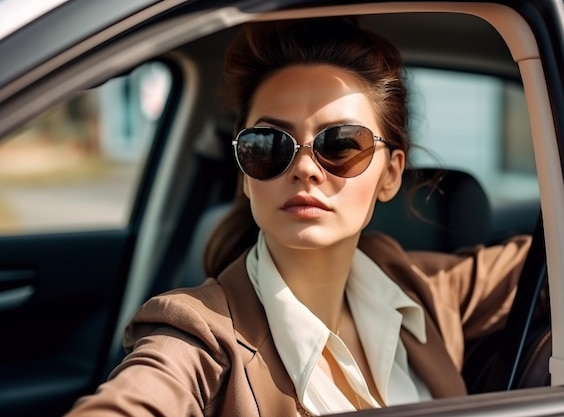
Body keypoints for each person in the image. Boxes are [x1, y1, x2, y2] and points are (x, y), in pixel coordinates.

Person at [65, 16, 531, 417]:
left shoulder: (421, 290)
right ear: (245, 175)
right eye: (268, 145)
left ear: (391, 174)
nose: (305, 168)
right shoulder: (197, 335)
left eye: (342, 144)